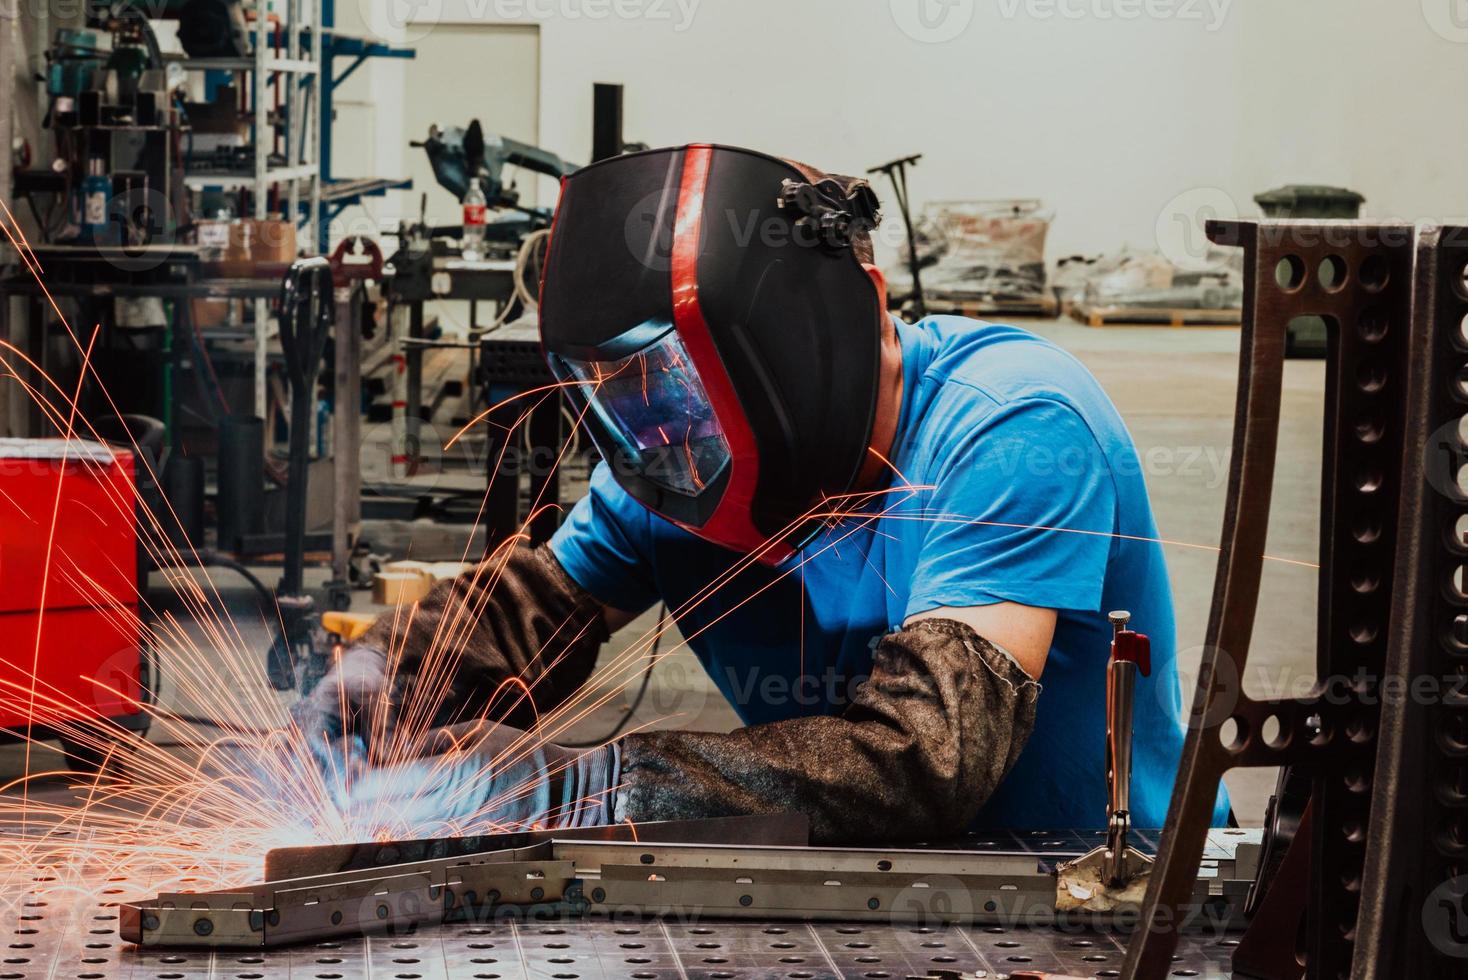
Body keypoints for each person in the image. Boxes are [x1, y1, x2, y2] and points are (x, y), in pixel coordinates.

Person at [295, 144, 1230, 844]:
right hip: (884, 890)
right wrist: (372, 692)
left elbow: (928, 755)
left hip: (1105, 903)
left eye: (675, 395)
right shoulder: (677, 459)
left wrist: (594, 790)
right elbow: (532, 612)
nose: (660, 436)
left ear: (794, 354)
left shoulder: (1014, 430)